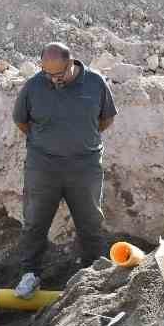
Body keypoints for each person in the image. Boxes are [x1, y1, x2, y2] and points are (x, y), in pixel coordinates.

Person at [11, 42, 117, 298]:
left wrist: (80, 141)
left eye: (59, 74)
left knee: (91, 221)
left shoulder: (95, 83)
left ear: (72, 64)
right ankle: (30, 274)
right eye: (48, 74)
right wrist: (47, 143)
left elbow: (106, 118)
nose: (53, 79)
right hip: (43, 166)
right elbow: (21, 121)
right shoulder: (35, 86)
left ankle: (95, 274)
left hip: (84, 165)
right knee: (35, 221)